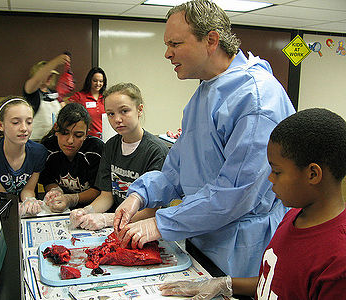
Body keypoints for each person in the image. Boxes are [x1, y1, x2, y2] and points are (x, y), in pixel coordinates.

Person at [114, 0, 295, 278]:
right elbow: (177, 170)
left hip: (242, 246)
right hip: (203, 234)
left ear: (211, 40)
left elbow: (237, 193)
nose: (167, 53)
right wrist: (140, 195)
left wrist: (160, 223)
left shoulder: (256, 99)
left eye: (175, 44)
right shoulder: (204, 93)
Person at [159, 108, 346, 299]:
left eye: (277, 172)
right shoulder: (293, 216)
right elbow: (275, 281)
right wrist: (225, 283)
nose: (270, 178)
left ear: (312, 174)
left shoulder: (338, 262)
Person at [70, 83, 169, 230]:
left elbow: (152, 210)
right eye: (111, 114)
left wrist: (108, 219)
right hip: (117, 224)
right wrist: (86, 211)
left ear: (139, 110)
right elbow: (106, 196)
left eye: (124, 111)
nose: (117, 119)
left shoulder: (156, 151)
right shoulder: (110, 146)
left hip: (143, 226)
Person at [0, 96, 48, 216]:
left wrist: (29, 201)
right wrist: (14, 208)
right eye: (16, 122)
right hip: (0, 210)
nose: (24, 128)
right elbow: (2, 195)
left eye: (29, 122)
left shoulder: (39, 152)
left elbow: (28, 189)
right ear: (0, 125)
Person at [39, 102, 104, 212]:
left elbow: (98, 189)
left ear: (86, 134)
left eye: (78, 135)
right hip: (59, 209)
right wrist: (55, 192)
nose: (70, 141)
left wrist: (72, 199)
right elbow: (48, 180)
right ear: (56, 129)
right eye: (65, 133)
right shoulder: (48, 148)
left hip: (92, 207)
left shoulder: (96, 150)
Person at [23, 53, 70, 141]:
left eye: (51, 75)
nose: (50, 77)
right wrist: (56, 61)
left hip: (54, 140)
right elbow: (36, 80)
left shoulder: (54, 93)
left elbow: (64, 112)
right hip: (36, 140)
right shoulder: (31, 92)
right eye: (47, 74)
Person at [68, 67, 107, 139]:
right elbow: (66, 109)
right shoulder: (79, 97)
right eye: (95, 81)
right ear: (89, 81)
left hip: (105, 137)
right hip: (86, 139)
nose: (98, 84)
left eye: (101, 81)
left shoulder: (106, 98)